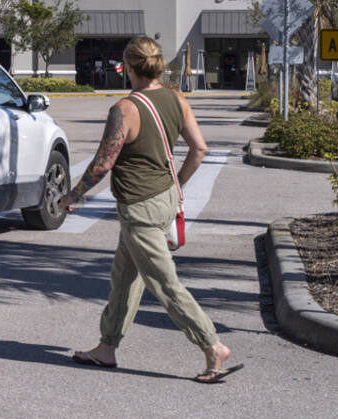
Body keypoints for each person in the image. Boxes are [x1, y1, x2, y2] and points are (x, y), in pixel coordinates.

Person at [62, 36, 239, 384]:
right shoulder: (176, 98)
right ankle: (106, 347)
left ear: (128, 67)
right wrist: (178, 185)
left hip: (139, 208)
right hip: (164, 199)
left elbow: (102, 164)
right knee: (125, 278)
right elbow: (199, 148)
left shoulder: (125, 109)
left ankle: (212, 346)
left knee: (163, 281)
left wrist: (72, 195)